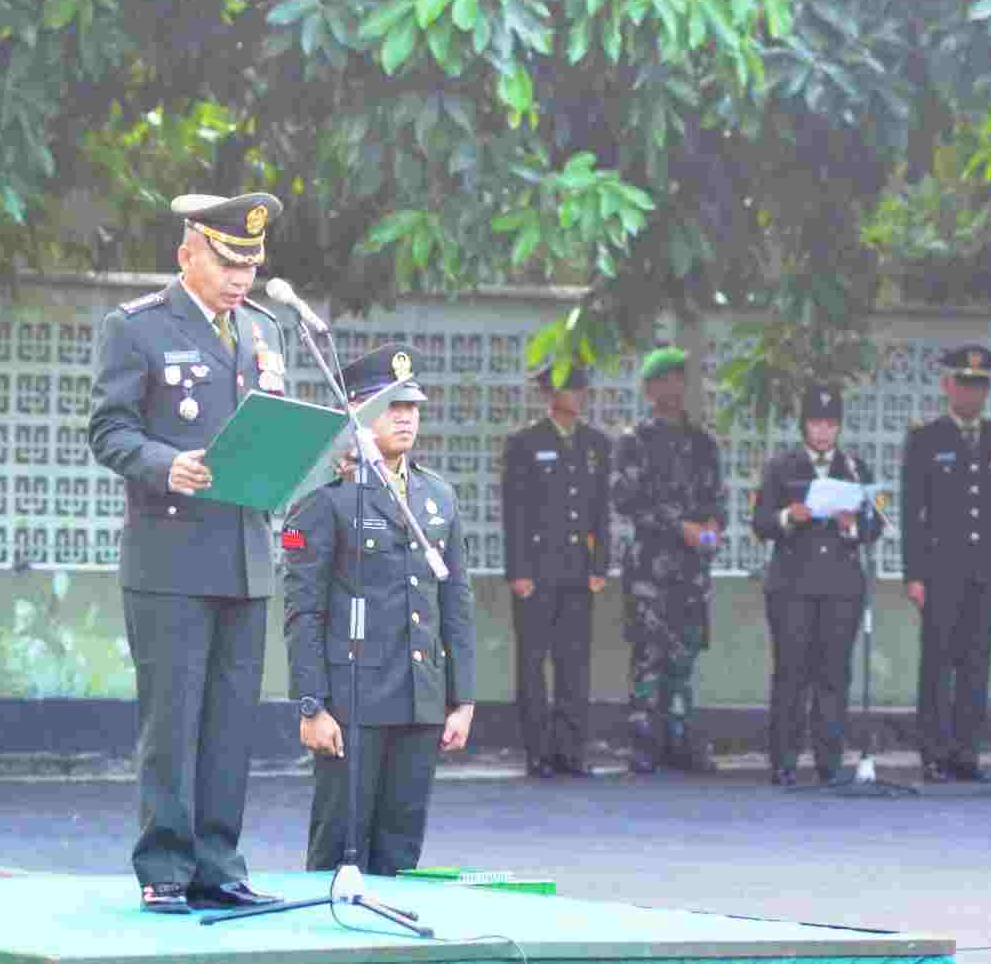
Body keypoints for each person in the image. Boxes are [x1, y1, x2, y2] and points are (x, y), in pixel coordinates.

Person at [88, 191, 288, 914]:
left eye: (251, 266)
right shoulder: (137, 327)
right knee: (172, 722)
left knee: (231, 725)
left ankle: (218, 865)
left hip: (244, 552)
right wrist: (165, 463)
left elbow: (271, 427)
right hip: (170, 557)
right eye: (228, 263)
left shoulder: (265, 328)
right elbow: (109, 430)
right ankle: (166, 868)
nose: (241, 279)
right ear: (186, 255)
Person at [281, 343, 476, 876]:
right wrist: (312, 704)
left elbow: (455, 601)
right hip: (354, 701)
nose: (406, 417)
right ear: (358, 412)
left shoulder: (438, 496)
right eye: (392, 406)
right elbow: (303, 609)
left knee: (401, 849)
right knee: (338, 847)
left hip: (420, 698)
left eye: (412, 406)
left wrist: (462, 698)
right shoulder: (326, 497)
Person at [752, 383, 883, 786]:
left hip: (841, 588)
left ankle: (829, 762)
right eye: (816, 423)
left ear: (839, 426)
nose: (823, 431)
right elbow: (760, 523)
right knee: (791, 673)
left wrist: (852, 526)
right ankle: (784, 761)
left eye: (830, 423)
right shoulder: (781, 467)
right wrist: (788, 516)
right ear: (804, 426)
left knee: (833, 675)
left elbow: (876, 525)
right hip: (792, 586)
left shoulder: (856, 468)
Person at [901, 344, 991, 784]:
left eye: (980, 386)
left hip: (987, 571)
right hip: (940, 571)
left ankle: (966, 754)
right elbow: (912, 511)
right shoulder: (926, 438)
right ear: (947, 385)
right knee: (937, 662)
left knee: (976, 661)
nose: (973, 394)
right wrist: (914, 573)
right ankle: (933, 754)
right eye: (965, 384)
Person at [611, 346, 726, 774]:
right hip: (650, 569)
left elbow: (716, 498)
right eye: (663, 381)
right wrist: (681, 527)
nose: (673, 388)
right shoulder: (633, 442)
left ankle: (681, 741)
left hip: (692, 569)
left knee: (684, 656)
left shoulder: (702, 442)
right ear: (648, 389)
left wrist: (713, 528)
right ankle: (644, 744)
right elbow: (627, 500)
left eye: (679, 379)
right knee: (649, 657)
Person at [501, 358, 609, 778]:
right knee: (532, 662)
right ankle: (538, 751)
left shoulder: (595, 444)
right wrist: (518, 571)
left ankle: (571, 750)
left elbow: (599, 512)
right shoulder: (525, 443)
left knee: (574, 662)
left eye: (581, 388)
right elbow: (515, 512)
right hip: (536, 569)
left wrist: (600, 564)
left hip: (578, 569)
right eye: (569, 388)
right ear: (550, 394)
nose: (578, 396)